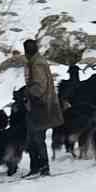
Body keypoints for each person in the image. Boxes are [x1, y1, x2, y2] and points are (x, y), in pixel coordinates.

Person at [22, 38, 62, 177]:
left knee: (36, 138)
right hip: (42, 105)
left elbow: (39, 87)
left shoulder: (36, 64)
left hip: (40, 105)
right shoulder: (37, 61)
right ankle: (38, 167)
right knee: (35, 137)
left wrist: (26, 92)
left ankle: (41, 167)